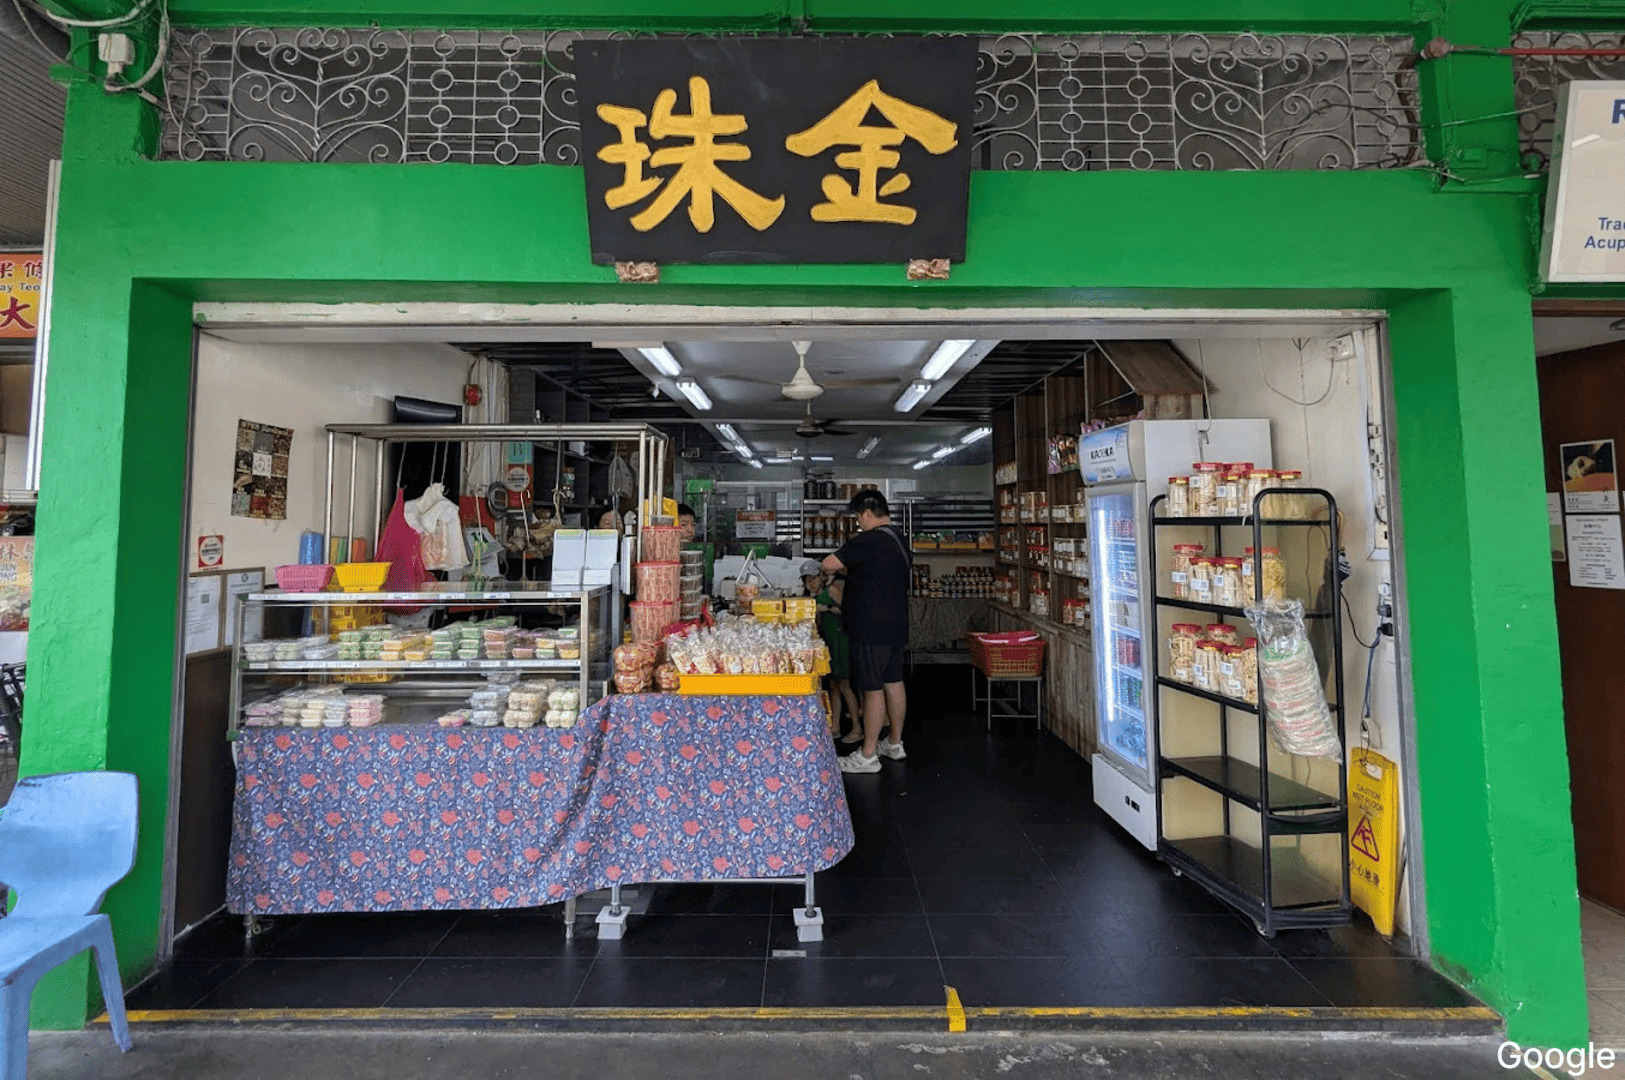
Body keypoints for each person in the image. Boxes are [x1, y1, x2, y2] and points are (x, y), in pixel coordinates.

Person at [822, 490, 911, 773]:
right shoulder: (898, 538)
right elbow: (877, 571)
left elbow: (828, 563)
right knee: (893, 681)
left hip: (871, 627)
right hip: (894, 623)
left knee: (871, 689)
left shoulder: (871, 538)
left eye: (859, 517)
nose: (858, 523)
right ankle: (894, 743)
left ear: (868, 513)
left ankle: (868, 755)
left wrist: (837, 571)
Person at [802, 560, 861, 745]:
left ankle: (857, 728)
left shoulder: (832, 591)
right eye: (806, 580)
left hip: (841, 641)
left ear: (822, 576)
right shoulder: (815, 597)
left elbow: (849, 612)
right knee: (834, 686)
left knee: (845, 685)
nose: (810, 583)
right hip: (829, 643)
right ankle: (834, 726)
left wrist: (826, 609)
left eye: (813, 578)